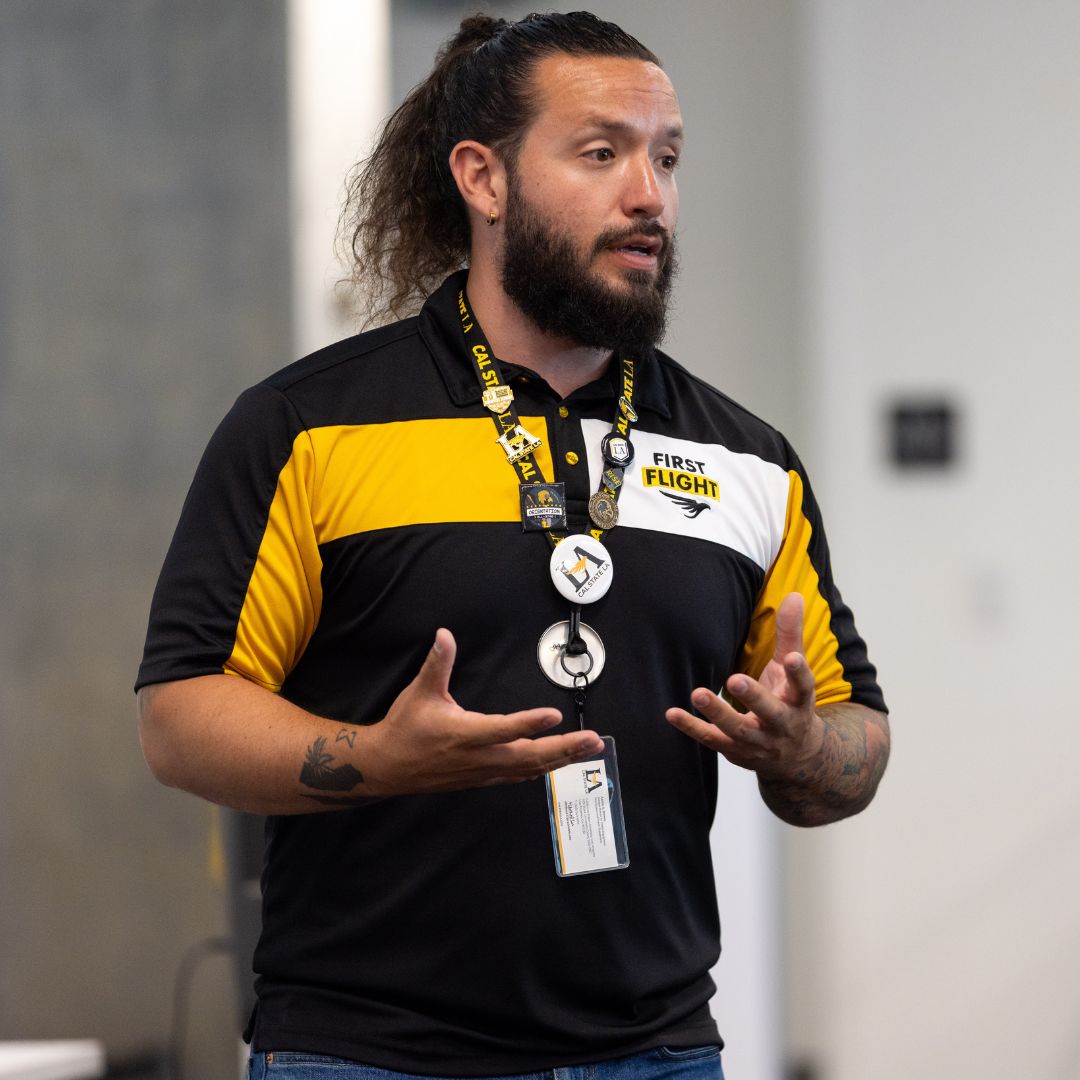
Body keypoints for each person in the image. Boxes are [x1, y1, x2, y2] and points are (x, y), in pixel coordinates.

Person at [137, 11, 889, 1080]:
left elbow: (859, 735)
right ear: (482, 179)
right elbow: (178, 719)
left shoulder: (747, 460)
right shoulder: (309, 427)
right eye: (602, 153)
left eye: (667, 158)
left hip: (659, 1053)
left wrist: (805, 751)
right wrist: (376, 760)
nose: (651, 197)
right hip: (371, 1055)